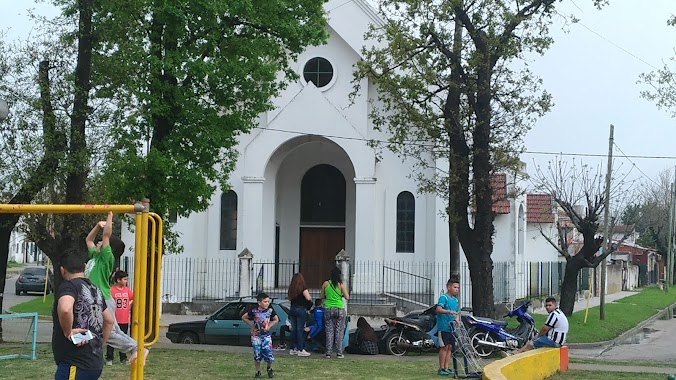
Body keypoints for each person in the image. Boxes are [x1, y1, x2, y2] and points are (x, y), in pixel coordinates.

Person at [85, 212, 147, 364]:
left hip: (102, 299)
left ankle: (137, 348)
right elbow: (88, 239)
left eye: (102, 242)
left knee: (109, 332)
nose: (99, 242)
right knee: (116, 331)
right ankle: (138, 349)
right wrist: (97, 226)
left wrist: (109, 215)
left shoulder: (107, 258)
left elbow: (106, 235)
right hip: (100, 298)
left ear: (108, 248)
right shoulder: (95, 256)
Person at [53, 247, 114, 380]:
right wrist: (99, 343)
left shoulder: (68, 286)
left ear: (62, 270)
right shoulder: (95, 289)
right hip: (95, 362)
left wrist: (67, 332)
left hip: (75, 363)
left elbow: (65, 308)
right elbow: (109, 320)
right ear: (85, 267)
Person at [242, 292, 280, 379]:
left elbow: (276, 319)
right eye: (265, 302)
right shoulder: (254, 311)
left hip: (266, 336)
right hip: (256, 336)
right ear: (259, 302)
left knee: (268, 353)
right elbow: (244, 317)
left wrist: (269, 326)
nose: (267, 303)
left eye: (268, 302)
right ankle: (258, 371)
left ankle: (269, 368)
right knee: (257, 354)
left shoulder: (270, 311)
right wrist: (252, 325)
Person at [106, 270, 134, 365]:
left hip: (124, 319)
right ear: (118, 280)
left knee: (123, 337)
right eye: (125, 279)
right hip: (115, 319)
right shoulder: (112, 290)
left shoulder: (127, 290)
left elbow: (132, 298)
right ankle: (109, 358)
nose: (126, 281)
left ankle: (123, 358)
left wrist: (130, 304)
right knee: (112, 338)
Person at [321, 266, 350, 359]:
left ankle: (328, 352)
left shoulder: (326, 284)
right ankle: (339, 353)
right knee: (339, 331)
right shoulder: (341, 285)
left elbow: (322, 296)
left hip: (329, 308)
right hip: (340, 309)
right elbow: (347, 297)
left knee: (329, 331)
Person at [435, 278, 460, 376]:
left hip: (452, 328)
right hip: (444, 327)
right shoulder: (444, 298)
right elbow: (438, 309)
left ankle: (446, 367)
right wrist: (448, 311)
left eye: (458, 287)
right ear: (449, 287)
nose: (456, 289)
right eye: (455, 287)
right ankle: (441, 368)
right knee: (444, 347)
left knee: (450, 347)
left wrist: (457, 319)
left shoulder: (456, 300)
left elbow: (457, 312)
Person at [287, 272, 313, 357]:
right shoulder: (303, 288)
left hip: (293, 309)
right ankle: (300, 349)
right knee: (300, 329)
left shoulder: (291, 289)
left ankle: (292, 348)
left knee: (294, 329)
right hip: (301, 309)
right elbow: (308, 298)